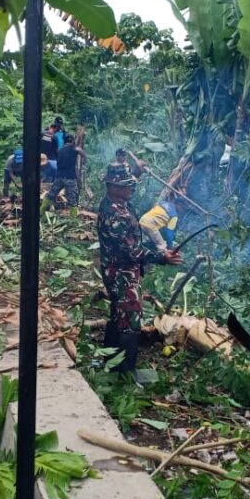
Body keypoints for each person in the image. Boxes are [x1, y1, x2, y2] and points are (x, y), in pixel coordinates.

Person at [97, 163, 182, 381]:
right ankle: (125, 371)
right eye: (126, 185)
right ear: (113, 186)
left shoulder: (118, 204)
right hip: (120, 273)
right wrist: (161, 257)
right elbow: (132, 252)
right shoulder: (115, 215)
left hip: (122, 270)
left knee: (120, 313)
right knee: (131, 318)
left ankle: (110, 362)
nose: (131, 189)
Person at [47, 134, 84, 208]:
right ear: (73, 141)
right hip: (70, 178)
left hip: (59, 177)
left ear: (64, 141)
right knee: (72, 201)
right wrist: (84, 158)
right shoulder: (73, 148)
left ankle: (41, 212)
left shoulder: (61, 150)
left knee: (50, 196)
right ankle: (73, 219)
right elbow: (81, 151)